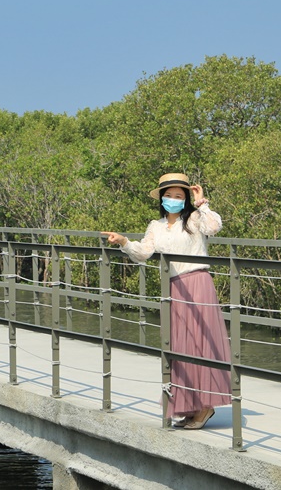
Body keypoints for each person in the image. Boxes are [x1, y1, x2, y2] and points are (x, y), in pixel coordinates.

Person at [101, 173, 231, 430]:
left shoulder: (194, 220)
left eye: (179, 196)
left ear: (185, 199)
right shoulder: (156, 226)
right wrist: (124, 241)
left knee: (201, 344)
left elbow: (214, 227)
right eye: (169, 195)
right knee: (180, 347)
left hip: (197, 283)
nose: (174, 200)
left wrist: (201, 201)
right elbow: (143, 253)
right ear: (162, 198)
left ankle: (206, 405)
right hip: (174, 287)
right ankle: (189, 405)